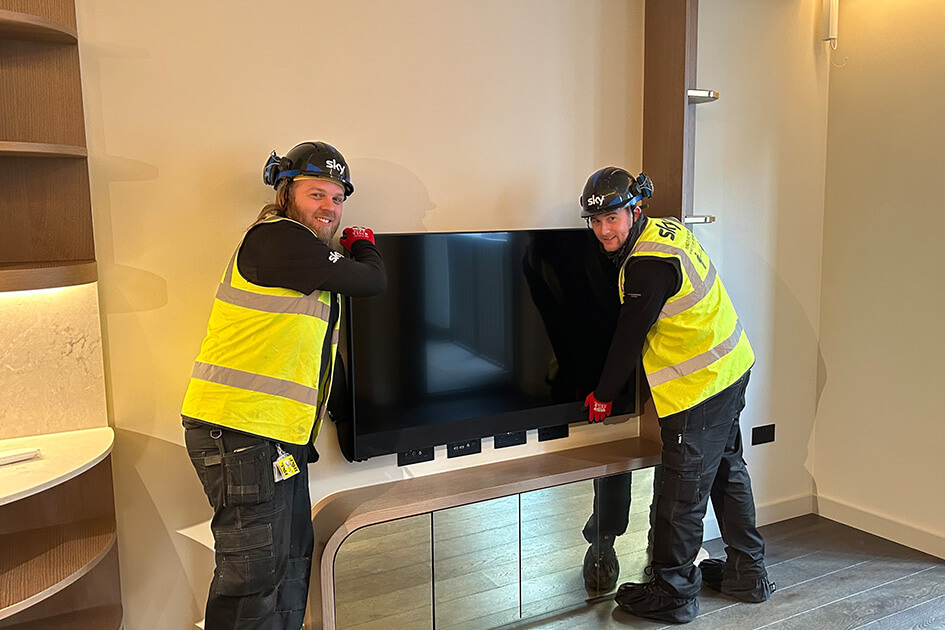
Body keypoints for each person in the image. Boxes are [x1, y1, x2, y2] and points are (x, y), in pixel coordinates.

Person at [180, 141, 386, 629]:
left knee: (291, 559)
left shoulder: (305, 254)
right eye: (318, 194)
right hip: (238, 432)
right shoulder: (277, 240)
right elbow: (371, 280)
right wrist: (363, 243)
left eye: (338, 199)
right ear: (286, 192)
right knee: (251, 575)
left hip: (274, 437)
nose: (329, 209)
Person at [579, 167, 774, 623]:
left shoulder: (646, 265)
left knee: (680, 493)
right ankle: (748, 573)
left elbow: (628, 336)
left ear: (635, 210)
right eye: (595, 221)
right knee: (727, 470)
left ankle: (674, 591)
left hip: (699, 389)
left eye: (613, 218)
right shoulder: (666, 230)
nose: (604, 230)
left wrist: (604, 395)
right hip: (731, 365)